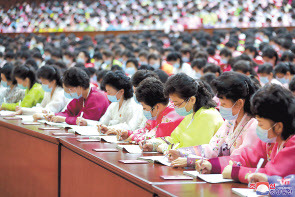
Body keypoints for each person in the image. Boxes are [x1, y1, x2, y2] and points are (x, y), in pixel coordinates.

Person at [195, 84, 295, 184]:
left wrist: (236, 172)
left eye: (260, 123)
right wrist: (212, 165)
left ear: (278, 127)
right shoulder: (272, 139)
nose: (258, 127)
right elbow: (246, 158)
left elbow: (271, 175)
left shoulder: (292, 143)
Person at [168, 72, 259, 168]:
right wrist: (182, 153)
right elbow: (212, 148)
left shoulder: (253, 125)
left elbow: (239, 159)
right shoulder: (230, 121)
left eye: (223, 104)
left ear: (239, 103)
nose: (220, 106)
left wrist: (193, 161)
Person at [142, 73, 224, 153]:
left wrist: (165, 148)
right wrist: (153, 144)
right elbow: (174, 138)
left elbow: (193, 148)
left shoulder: (207, 116)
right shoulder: (192, 114)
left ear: (192, 100)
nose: (175, 107)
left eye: (177, 103)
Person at [116, 77, 184, 143]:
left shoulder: (171, 119)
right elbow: (146, 130)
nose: (143, 110)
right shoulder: (158, 113)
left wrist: (133, 136)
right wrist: (129, 133)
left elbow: (152, 137)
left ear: (157, 107)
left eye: (144, 108)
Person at [78, 71, 143, 132]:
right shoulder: (113, 105)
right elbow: (102, 123)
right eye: (106, 91)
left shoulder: (133, 106)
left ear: (121, 91)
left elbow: (130, 128)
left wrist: (109, 128)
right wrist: (87, 122)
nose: (107, 94)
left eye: (109, 92)